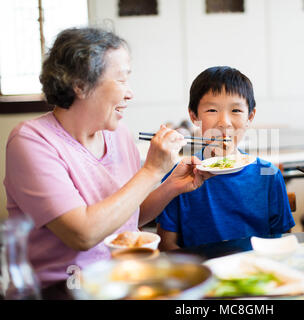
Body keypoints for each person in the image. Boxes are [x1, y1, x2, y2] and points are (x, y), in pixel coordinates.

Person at [3, 27, 211, 289]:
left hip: (123, 279)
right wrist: (152, 171)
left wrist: (171, 186)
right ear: (80, 84)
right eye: (121, 80)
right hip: (64, 288)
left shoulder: (117, 133)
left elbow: (127, 214)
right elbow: (83, 233)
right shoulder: (30, 141)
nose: (130, 93)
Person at [156, 66, 295, 250]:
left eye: (236, 110)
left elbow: (282, 242)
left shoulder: (269, 175)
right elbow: (167, 246)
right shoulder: (179, 177)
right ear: (194, 116)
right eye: (212, 110)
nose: (224, 123)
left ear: (250, 116)